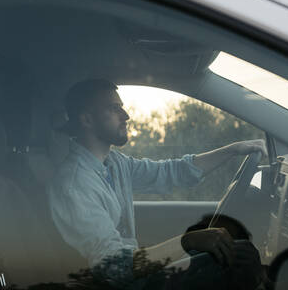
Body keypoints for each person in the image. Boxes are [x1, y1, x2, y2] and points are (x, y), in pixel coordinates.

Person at [47, 79, 266, 286]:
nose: (126, 115)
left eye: (122, 107)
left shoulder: (114, 163)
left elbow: (170, 172)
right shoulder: (73, 185)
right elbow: (112, 267)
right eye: (114, 108)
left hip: (133, 276)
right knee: (239, 260)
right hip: (116, 285)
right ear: (87, 120)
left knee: (236, 251)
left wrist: (234, 150)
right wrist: (187, 242)